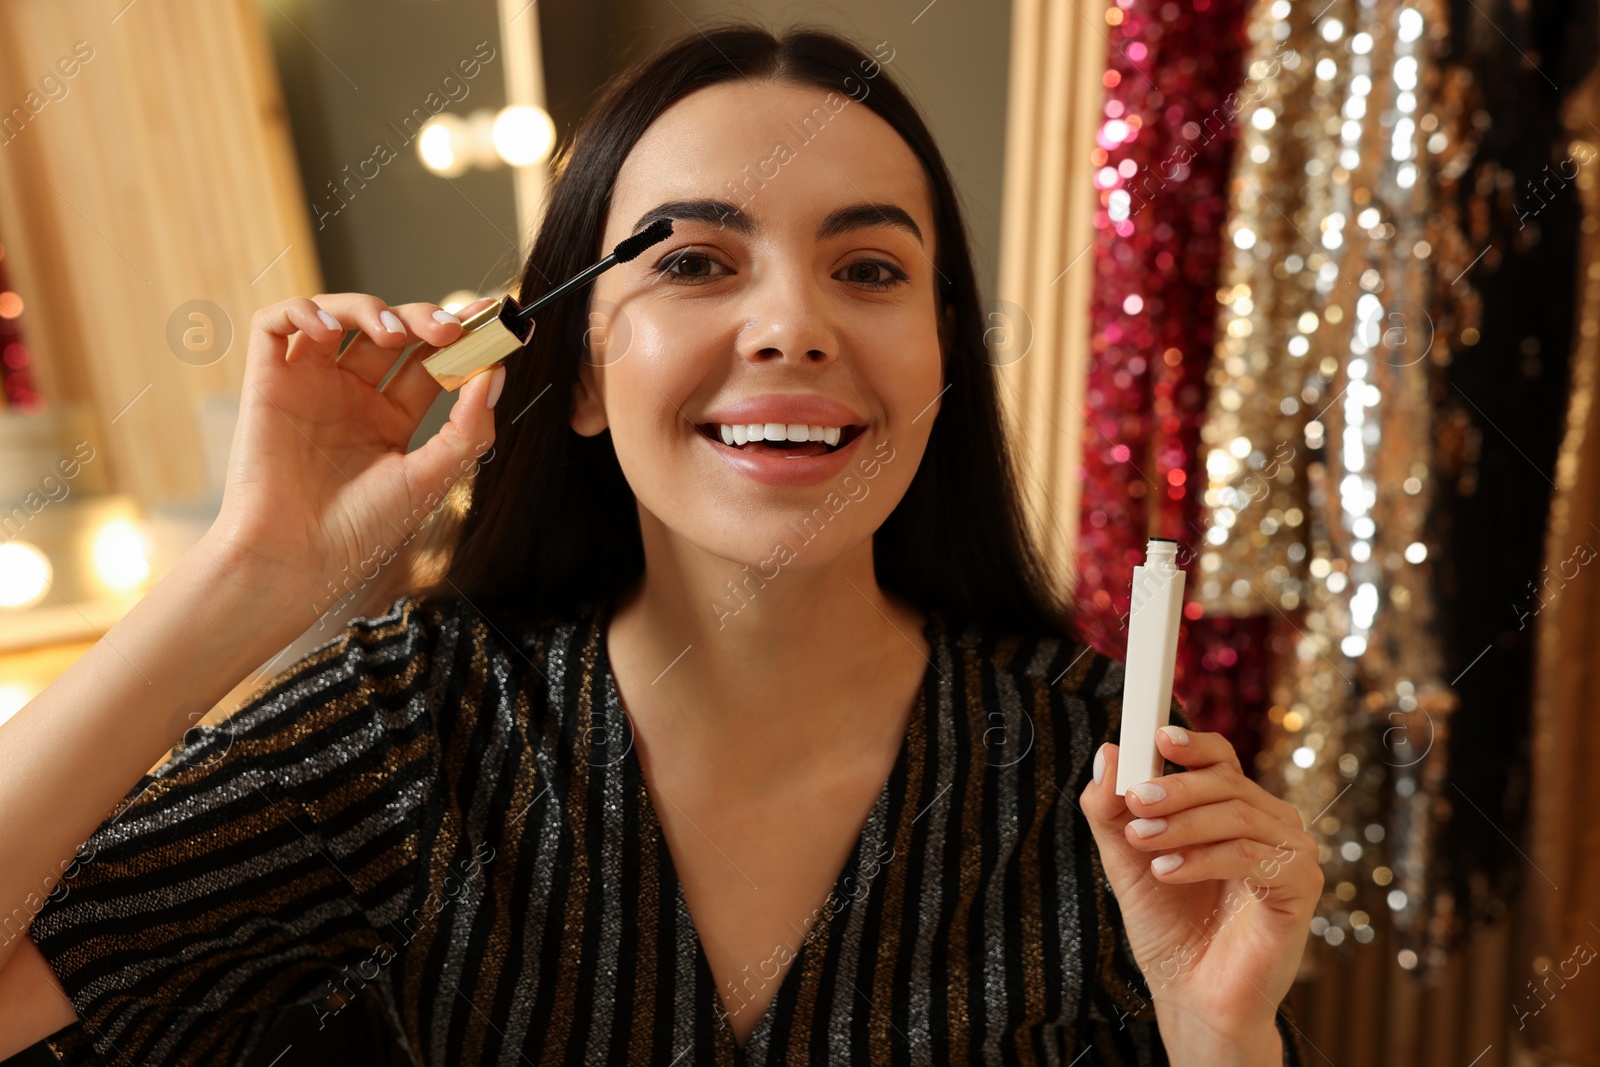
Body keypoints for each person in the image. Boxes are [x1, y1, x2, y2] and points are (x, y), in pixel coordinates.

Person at [0, 22, 1321, 1067]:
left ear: (943, 364)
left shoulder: (1103, 773)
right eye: (691, 263)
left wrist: (1223, 1047)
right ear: (571, 377)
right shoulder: (417, 732)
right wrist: (246, 580)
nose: (793, 326)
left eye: (869, 270)